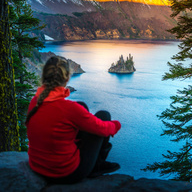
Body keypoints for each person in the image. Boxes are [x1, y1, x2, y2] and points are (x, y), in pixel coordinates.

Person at [26, 55, 121, 184]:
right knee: (103, 116)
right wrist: (115, 125)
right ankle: (97, 166)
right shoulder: (68, 109)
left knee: (82, 106)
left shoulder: (35, 102)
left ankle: (95, 163)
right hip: (66, 173)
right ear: (66, 78)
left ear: (44, 76)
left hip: (37, 166)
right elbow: (103, 129)